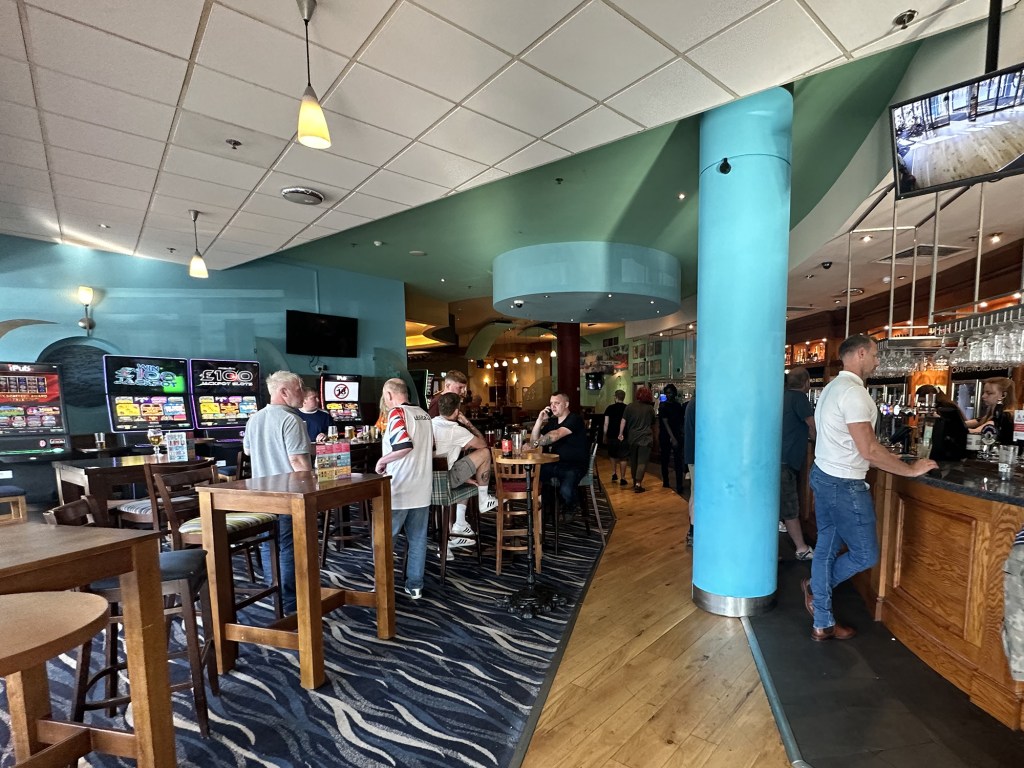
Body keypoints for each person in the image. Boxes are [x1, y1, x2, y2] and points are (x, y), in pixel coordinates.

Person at [803, 335, 937, 642]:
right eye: (875, 355)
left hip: (824, 475)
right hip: (843, 483)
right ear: (860, 353)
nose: (877, 361)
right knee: (865, 555)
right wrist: (910, 468)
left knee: (826, 548)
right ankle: (816, 591)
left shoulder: (832, 389)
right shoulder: (852, 393)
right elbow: (869, 450)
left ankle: (821, 620)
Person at [243, 370, 312, 615]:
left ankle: (275, 594)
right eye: (299, 389)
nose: (302, 394)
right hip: (288, 494)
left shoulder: (254, 418)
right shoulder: (291, 419)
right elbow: (297, 461)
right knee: (288, 547)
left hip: (261, 494)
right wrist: (313, 490)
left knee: (268, 546)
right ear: (284, 392)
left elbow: (249, 452)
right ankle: (290, 601)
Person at [374, 378, 433, 600]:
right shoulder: (424, 415)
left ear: (389, 395)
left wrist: (382, 461)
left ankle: (382, 587)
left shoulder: (397, 414)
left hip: (399, 488)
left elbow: (404, 445)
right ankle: (415, 586)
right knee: (417, 539)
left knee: (383, 540)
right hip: (421, 487)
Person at [431, 392, 499, 550]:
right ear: (456, 411)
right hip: (445, 482)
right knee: (484, 454)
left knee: (467, 476)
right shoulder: (456, 430)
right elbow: (483, 445)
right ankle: (483, 499)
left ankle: (459, 525)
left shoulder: (430, 423)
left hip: (429, 481)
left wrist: (463, 476)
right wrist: (467, 423)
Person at [531, 392, 589, 518]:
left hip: (575, 465)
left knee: (566, 489)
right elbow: (534, 440)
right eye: (551, 403)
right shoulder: (552, 422)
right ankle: (545, 507)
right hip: (556, 464)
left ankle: (571, 506)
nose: (553, 406)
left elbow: (555, 435)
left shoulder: (575, 419)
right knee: (536, 475)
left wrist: (535, 443)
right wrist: (539, 421)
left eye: (557, 403)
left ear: (566, 404)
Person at [781, 367, 815, 561]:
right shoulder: (800, 398)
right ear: (807, 383)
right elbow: (812, 426)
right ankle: (801, 549)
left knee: (782, 501)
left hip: (778, 458)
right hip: (786, 461)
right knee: (790, 505)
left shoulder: (783, 397)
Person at [620, 386, 656, 493]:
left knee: (634, 461)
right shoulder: (649, 408)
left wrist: (620, 433)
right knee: (642, 462)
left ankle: (634, 481)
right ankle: (638, 484)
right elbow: (653, 423)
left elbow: (623, 421)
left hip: (632, 438)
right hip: (645, 438)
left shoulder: (630, 407)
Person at [658, 384, 686, 494]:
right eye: (667, 393)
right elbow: (665, 423)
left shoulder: (677, 406)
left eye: (671, 392)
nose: (669, 395)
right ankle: (666, 481)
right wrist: (672, 437)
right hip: (666, 435)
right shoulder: (663, 406)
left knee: (678, 461)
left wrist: (679, 434)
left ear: (674, 393)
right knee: (665, 459)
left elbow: (680, 421)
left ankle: (679, 484)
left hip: (674, 434)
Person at [602, 389, 628, 486]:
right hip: (624, 436)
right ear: (623, 397)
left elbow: (606, 423)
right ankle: (623, 478)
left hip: (612, 435)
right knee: (623, 457)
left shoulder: (610, 408)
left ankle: (614, 473)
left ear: (615, 397)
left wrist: (604, 434)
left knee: (613, 455)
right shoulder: (627, 408)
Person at [683, 391, 696, 547]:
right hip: (698, 457)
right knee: (696, 493)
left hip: (693, 455)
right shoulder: (699, 405)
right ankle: (692, 531)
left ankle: (693, 531)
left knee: (695, 493)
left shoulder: (691, 404)